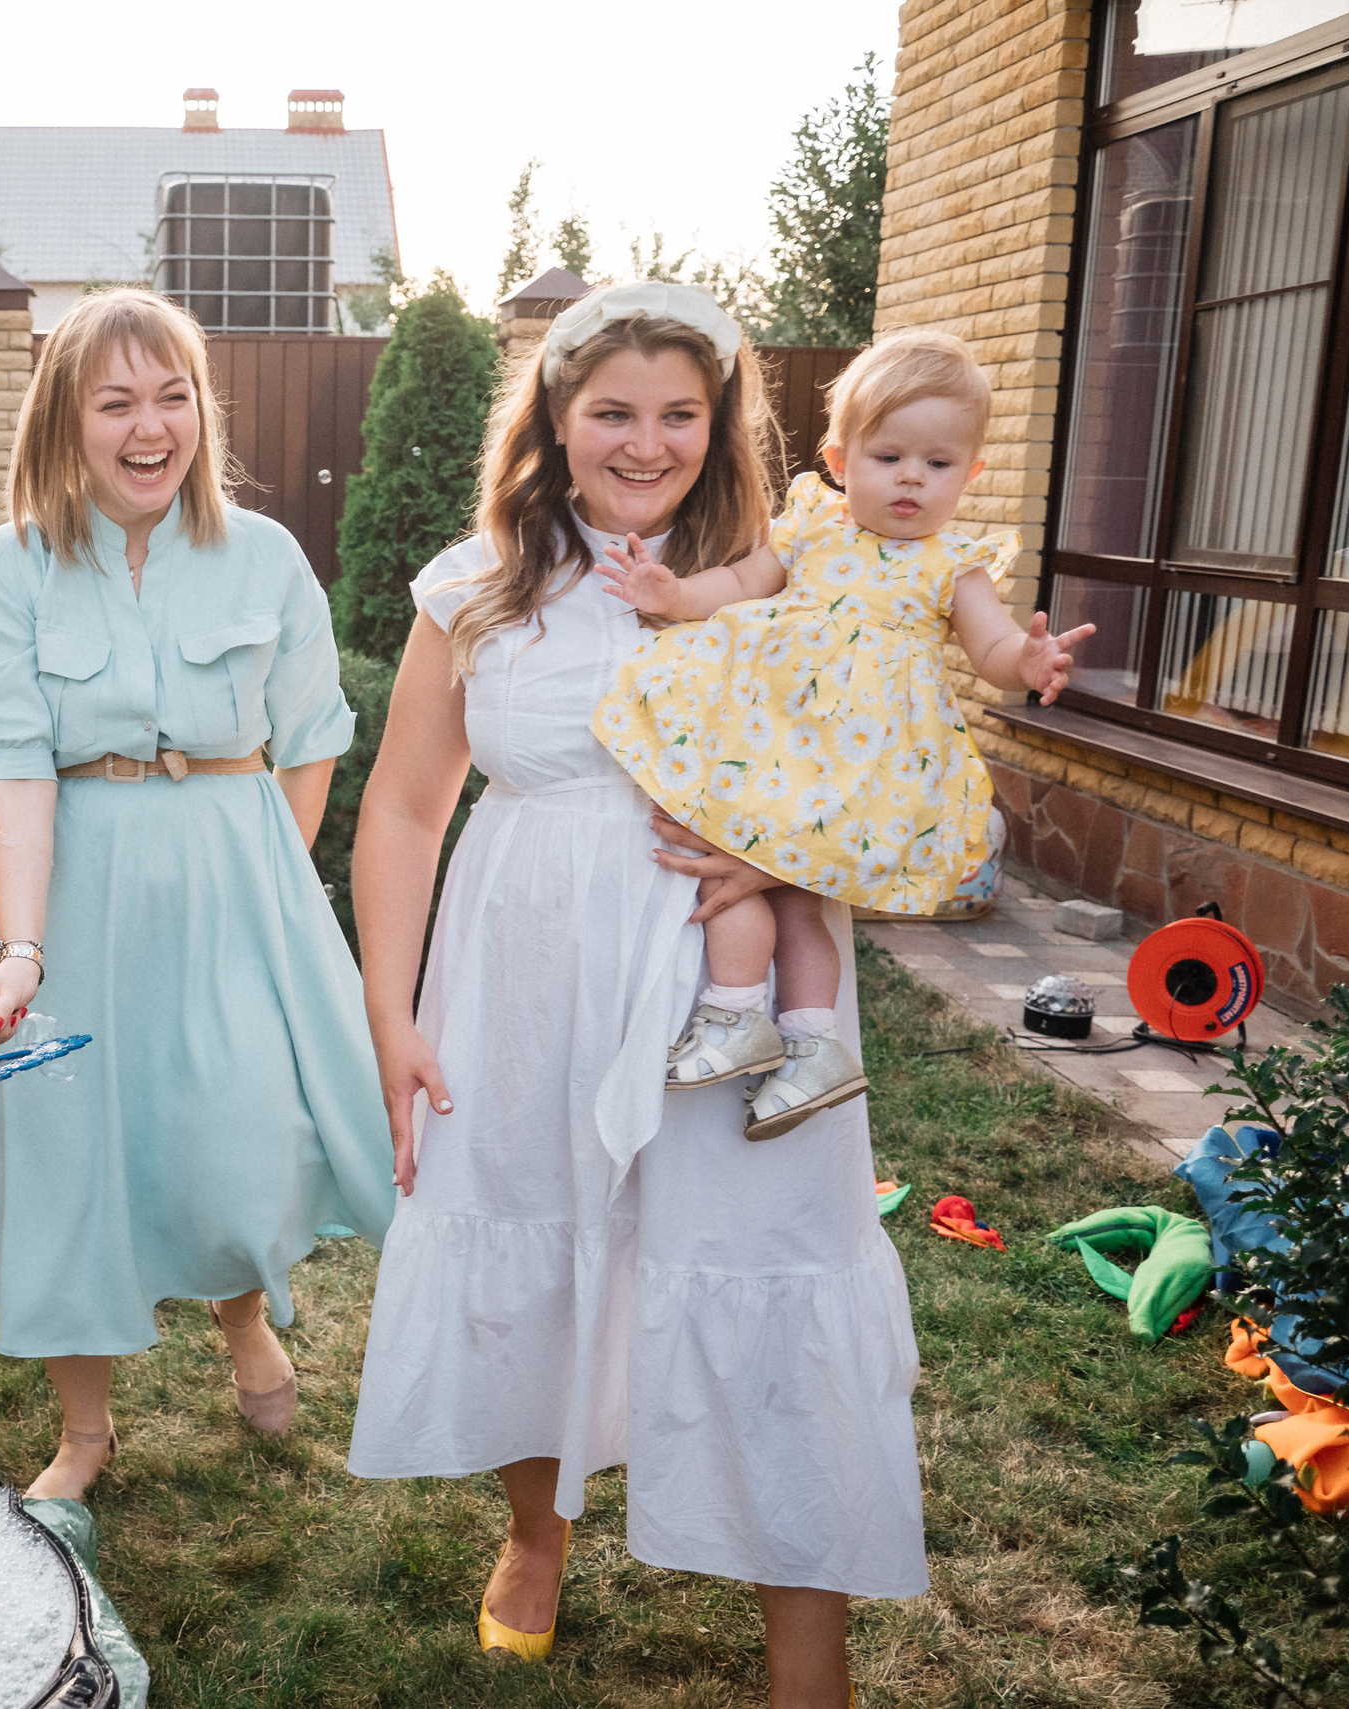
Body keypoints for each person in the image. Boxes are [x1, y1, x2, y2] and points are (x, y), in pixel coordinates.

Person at [345, 282, 926, 1708]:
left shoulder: (793, 574)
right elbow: (408, 811)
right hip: (525, 972)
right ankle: (536, 1533)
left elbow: (884, 768)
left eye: (680, 413)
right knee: (531, 1246)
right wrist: (393, 1012)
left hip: (735, 980)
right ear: (555, 414)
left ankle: (809, 1646)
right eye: (614, 411)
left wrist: (768, 837)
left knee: (771, 1279)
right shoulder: (475, 581)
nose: (647, 441)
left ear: (720, 422)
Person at [0, 288, 396, 1503]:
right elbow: (11, 762)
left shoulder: (265, 557)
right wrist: (23, 945)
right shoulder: (8, 569)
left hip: (233, 883)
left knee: (230, 1126)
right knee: (69, 1148)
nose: (150, 427)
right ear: (65, 420)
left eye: (171, 394)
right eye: (116, 402)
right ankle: (84, 1429)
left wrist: (274, 882)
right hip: (67, 889)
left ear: (201, 405)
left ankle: (242, 1317)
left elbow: (310, 736)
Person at [591, 328, 1091, 1139]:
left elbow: (991, 643)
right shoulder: (813, 528)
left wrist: (1028, 663)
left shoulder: (951, 562)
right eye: (888, 456)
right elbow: (740, 583)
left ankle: (798, 1037)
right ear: (838, 458)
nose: (910, 479)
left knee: (795, 894)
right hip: (779, 740)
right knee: (749, 871)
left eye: (937, 464)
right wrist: (673, 593)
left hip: (858, 770)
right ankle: (751, 1018)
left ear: (971, 474)